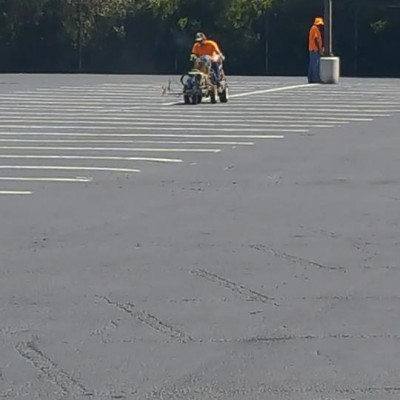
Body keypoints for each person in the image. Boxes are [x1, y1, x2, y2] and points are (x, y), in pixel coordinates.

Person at [308, 17, 324, 83]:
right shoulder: (315, 29)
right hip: (314, 49)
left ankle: (310, 78)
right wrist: (319, 49)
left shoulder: (313, 28)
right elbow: (315, 39)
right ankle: (316, 79)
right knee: (315, 65)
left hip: (312, 49)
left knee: (312, 64)